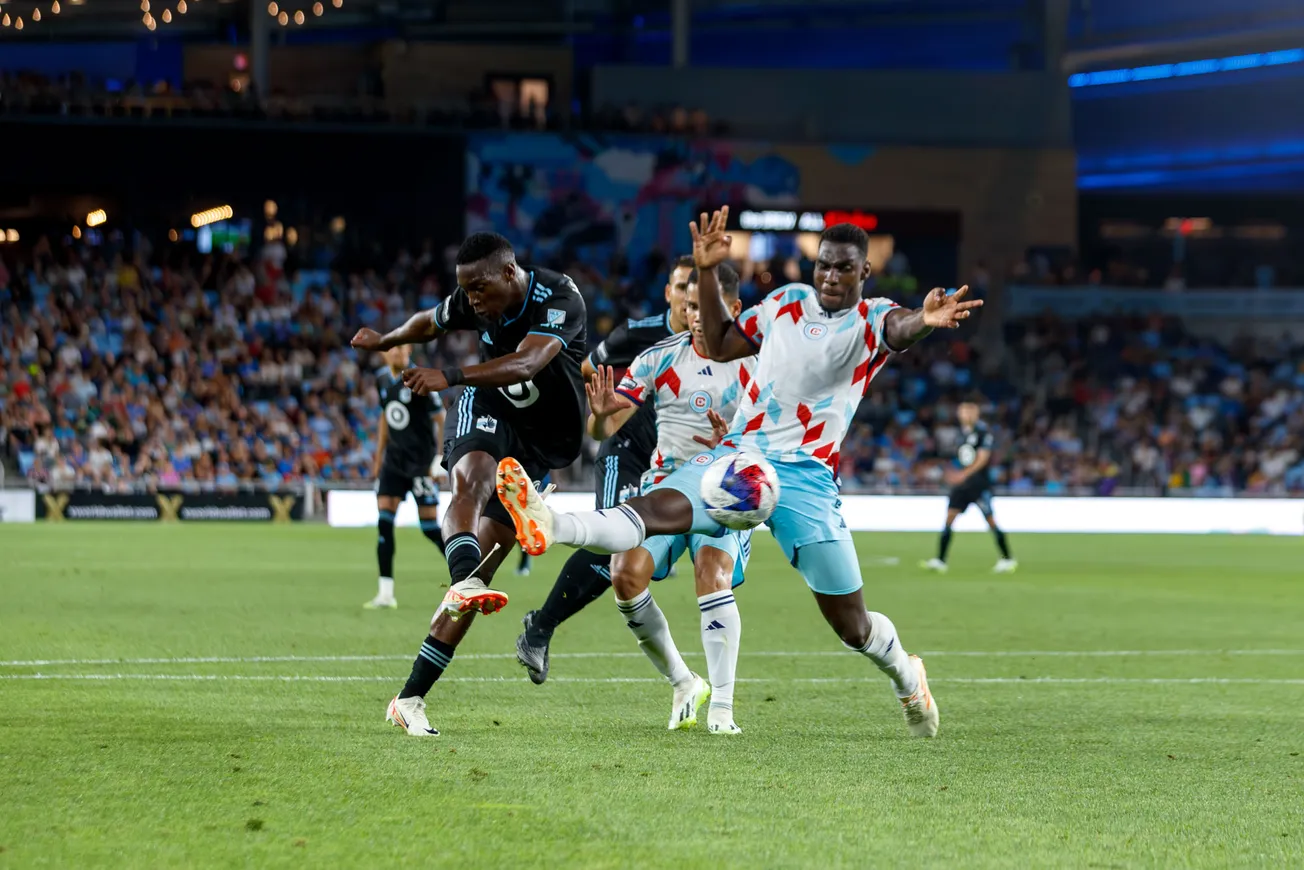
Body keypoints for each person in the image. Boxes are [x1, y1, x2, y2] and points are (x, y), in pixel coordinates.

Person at [496, 207, 982, 739]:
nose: (831, 277)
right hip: (741, 457)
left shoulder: (871, 319)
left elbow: (899, 327)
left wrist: (924, 320)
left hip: (806, 477)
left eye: (845, 269)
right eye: (824, 266)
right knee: (654, 512)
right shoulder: (785, 304)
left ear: (864, 273)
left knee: (852, 625)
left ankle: (908, 678)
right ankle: (550, 521)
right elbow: (722, 343)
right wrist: (706, 271)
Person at [350, 231, 587, 737]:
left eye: (479, 288)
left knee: (489, 553)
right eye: (466, 291)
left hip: (544, 440)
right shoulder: (474, 297)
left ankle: (409, 696)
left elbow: (526, 362)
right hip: (490, 408)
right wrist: (389, 340)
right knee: (471, 483)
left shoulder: (560, 298)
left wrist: (451, 374)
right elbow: (429, 322)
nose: (473, 300)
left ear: (509, 272)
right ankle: (464, 580)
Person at [586, 265, 752, 734]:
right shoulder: (658, 357)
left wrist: (735, 442)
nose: (697, 315)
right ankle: (683, 681)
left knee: (710, 574)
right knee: (624, 574)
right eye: (693, 305)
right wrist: (600, 419)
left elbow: (774, 438)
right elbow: (604, 428)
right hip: (664, 487)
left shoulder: (757, 366)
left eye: (710, 307)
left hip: (725, 490)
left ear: (734, 310)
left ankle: (722, 708)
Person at [515, 256, 694, 684]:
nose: (691, 295)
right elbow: (587, 369)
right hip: (628, 451)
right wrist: (606, 410)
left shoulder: (723, 344)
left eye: (697, 286)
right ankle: (539, 629)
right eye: (683, 285)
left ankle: (540, 625)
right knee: (615, 546)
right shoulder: (636, 336)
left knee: (638, 562)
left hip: (677, 467)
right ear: (669, 292)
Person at [365, 344, 448, 610]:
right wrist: (378, 459)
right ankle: (385, 594)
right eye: (391, 349)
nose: (396, 353)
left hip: (421, 464)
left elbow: (441, 418)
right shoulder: (381, 379)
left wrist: (440, 458)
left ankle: (469, 570)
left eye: (401, 348)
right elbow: (384, 418)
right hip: (393, 463)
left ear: (409, 350)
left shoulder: (419, 378)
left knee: (430, 528)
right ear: (383, 354)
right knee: (384, 523)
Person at [922, 400, 1016, 574]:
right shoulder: (961, 434)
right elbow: (960, 458)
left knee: (990, 520)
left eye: (969, 412)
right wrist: (952, 472)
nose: (966, 415)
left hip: (978, 484)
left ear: (976, 414)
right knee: (949, 517)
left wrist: (963, 474)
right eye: (963, 411)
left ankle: (1007, 559)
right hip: (962, 484)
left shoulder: (982, 432)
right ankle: (940, 560)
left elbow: (983, 457)